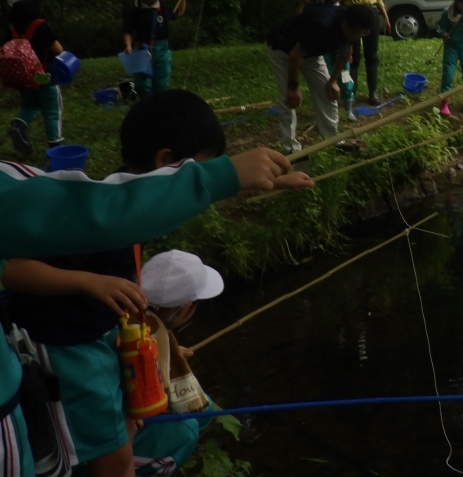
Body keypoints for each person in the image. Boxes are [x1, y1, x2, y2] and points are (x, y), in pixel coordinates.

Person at [0, 109, 311, 477]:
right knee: (115, 459)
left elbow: (162, 200)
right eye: (195, 169)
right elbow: (11, 266)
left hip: (97, 340)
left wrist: (254, 183)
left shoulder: (123, 208)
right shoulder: (100, 216)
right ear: (166, 162)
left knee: (144, 424)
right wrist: (86, 281)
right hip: (72, 346)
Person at [130, 249, 224, 476]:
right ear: (185, 307)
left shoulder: (132, 312)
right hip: (122, 430)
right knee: (187, 430)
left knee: (206, 409)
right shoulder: (148, 336)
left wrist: (169, 351)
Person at [265, 4, 375, 153]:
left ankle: (333, 141)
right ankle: (291, 148)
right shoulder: (322, 24)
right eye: (357, 33)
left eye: (363, 33)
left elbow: (344, 55)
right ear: (345, 24)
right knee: (289, 99)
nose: (358, 37)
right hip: (283, 49)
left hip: (312, 51)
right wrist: (293, 87)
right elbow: (295, 55)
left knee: (327, 93)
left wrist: (332, 81)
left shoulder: (353, 27)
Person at [5, 0, 65, 156]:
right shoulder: (40, 25)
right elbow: (58, 50)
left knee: (30, 105)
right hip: (45, 77)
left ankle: (18, 125)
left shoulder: (12, 29)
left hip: (23, 79)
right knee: (52, 110)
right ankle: (56, 147)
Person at [338, 0, 391, 105]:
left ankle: (372, 93)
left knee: (372, 54)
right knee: (353, 55)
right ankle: (350, 93)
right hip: (353, 16)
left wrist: (385, 17)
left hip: (371, 14)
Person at [123, 0, 190, 97]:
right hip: (141, 48)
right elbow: (127, 31)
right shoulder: (134, 12)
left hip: (162, 49)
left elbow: (179, 12)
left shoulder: (162, 9)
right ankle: (147, 104)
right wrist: (128, 46)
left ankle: (160, 105)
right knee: (142, 84)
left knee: (162, 82)